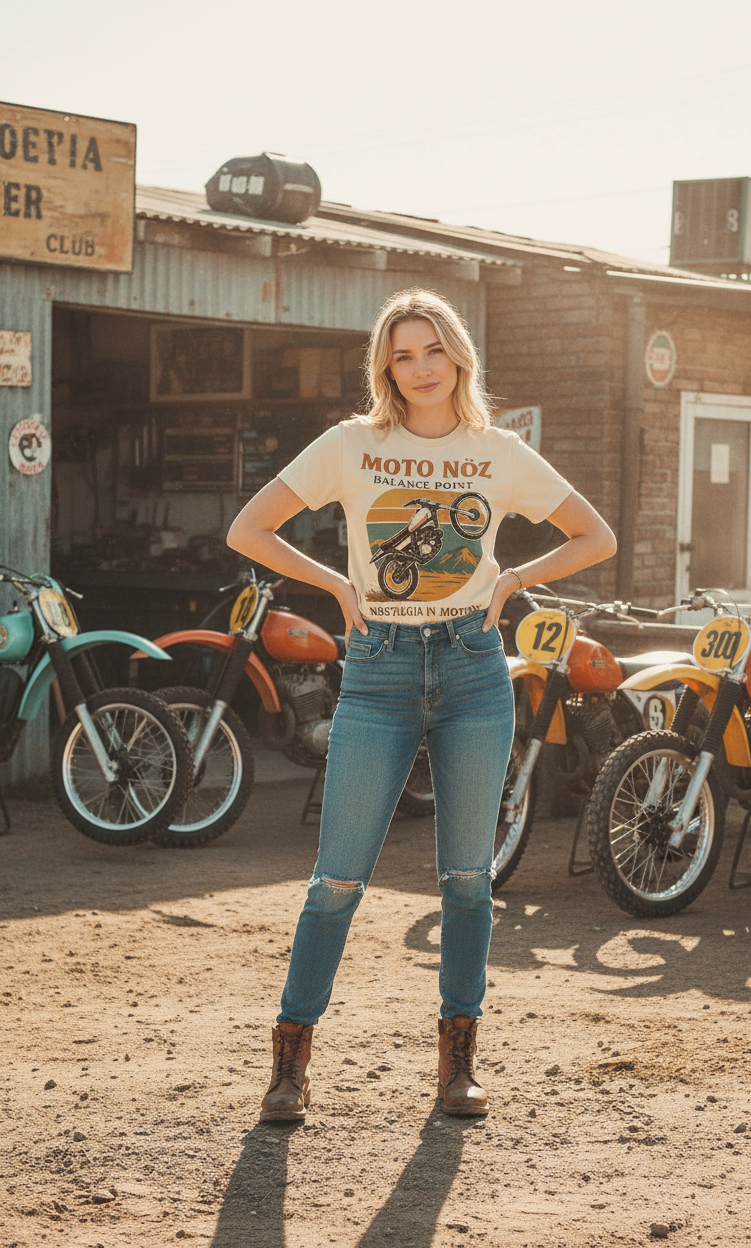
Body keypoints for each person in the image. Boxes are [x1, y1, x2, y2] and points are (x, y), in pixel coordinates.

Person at [226, 289, 616, 1122]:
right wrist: (335, 581)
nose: (421, 366)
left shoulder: (496, 452)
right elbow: (249, 528)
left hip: (475, 669)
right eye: (403, 354)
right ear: (386, 367)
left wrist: (513, 578)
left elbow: (596, 536)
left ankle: (458, 1066)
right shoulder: (350, 445)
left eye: (433, 348)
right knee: (336, 878)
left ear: (458, 357)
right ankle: (289, 1067)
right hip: (379, 668)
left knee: (469, 880)